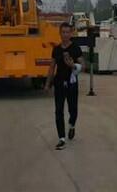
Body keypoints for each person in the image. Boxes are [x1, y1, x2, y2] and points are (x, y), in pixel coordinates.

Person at [45, 22, 84, 150]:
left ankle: (72, 125)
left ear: (71, 33)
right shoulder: (56, 49)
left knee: (73, 110)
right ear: (60, 33)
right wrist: (48, 84)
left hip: (72, 83)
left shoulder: (76, 48)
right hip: (59, 83)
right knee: (58, 111)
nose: (65, 35)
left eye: (68, 32)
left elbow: (83, 66)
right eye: (63, 32)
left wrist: (73, 66)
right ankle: (61, 138)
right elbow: (52, 67)